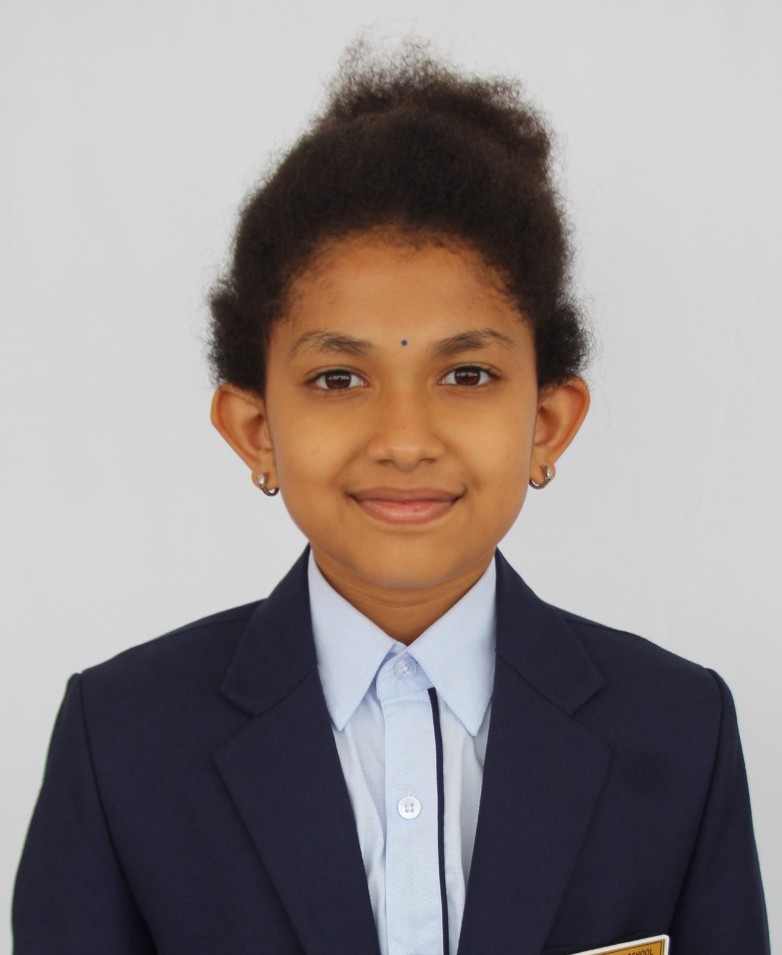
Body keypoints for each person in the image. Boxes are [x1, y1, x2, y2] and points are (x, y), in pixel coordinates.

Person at [13, 42, 769, 955]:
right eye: (338, 378)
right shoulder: (123, 742)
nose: (405, 440)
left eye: (466, 373)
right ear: (255, 429)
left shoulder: (680, 730)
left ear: (547, 422)